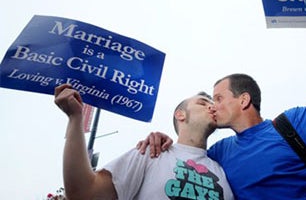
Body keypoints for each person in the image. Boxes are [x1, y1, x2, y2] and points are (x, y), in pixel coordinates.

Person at [137, 14, 306, 199]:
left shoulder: (294, 125)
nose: (212, 107)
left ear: (243, 100)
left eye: (218, 98)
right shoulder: (219, 152)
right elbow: (185, 155)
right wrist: (161, 139)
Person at [54, 83, 234, 200]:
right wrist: (75, 118)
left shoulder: (223, 169)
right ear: (180, 115)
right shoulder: (150, 152)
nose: (212, 106)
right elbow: (83, 194)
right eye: (203, 103)